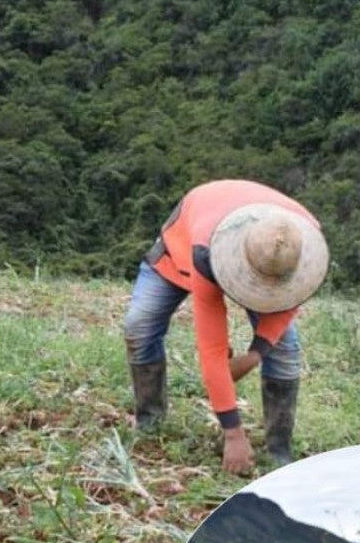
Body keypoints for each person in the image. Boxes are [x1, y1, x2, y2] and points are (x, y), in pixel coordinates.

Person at [124, 180, 328, 474]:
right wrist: (233, 433)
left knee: (283, 350)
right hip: (180, 252)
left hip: (255, 252)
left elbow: (288, 307)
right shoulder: (206, 252)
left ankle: (279, 450)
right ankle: (149, 420)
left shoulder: (302, 244)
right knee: (139, 327)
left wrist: (255, 354)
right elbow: (212, 350)